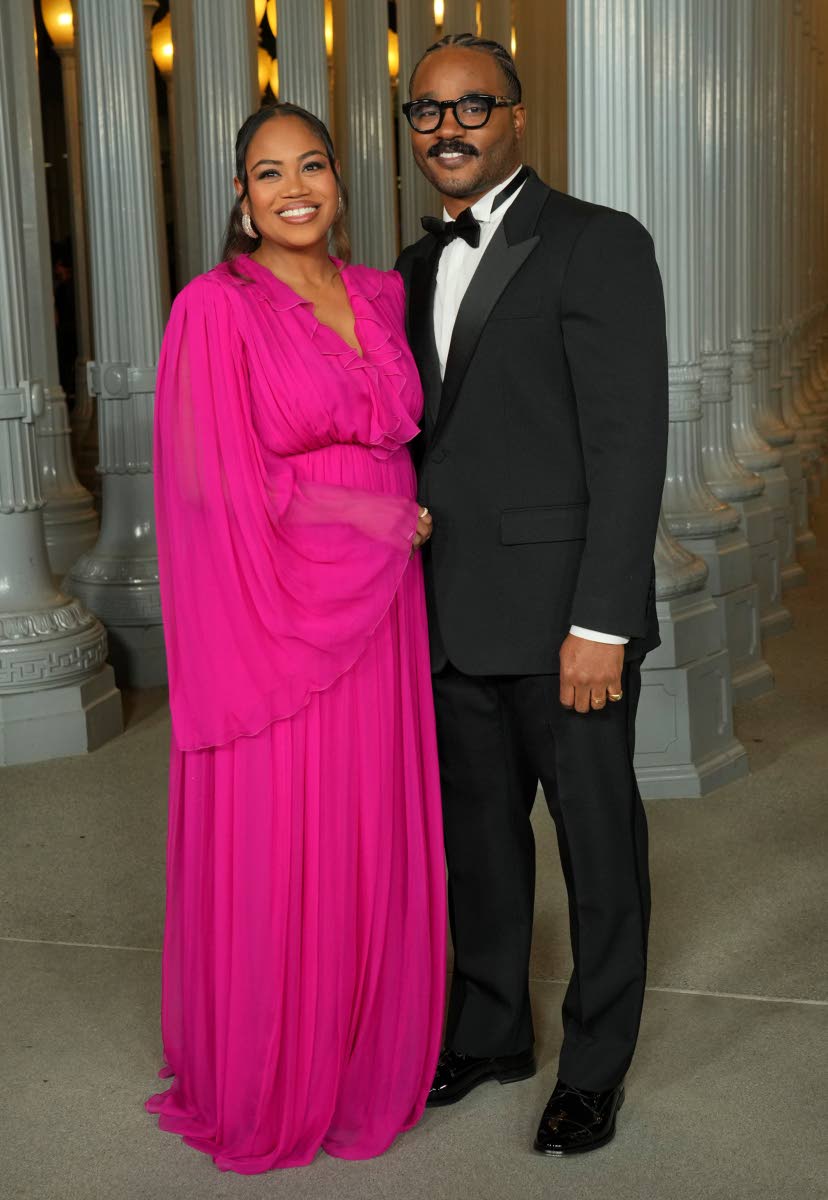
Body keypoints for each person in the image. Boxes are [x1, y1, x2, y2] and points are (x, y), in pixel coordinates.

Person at [145, 102, 446, 1173]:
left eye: (309, 164)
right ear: (242, 197)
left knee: (369, 815)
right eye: (268, 174)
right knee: (289, 822)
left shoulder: (382, 292)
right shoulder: (213, 310)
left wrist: (392, 519)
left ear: (337, 177)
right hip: (281, 607)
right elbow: (204, 482)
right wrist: (364, 515)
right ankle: (279, 1066)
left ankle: (367, 1047)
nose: (293, 188)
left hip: (386, 604)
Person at [395, 34, 668, 1156]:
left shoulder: (597, 244)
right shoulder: (407, 272)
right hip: (447, 615)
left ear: (517, 116)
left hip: (567, 623)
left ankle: (593, 1070)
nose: (447, 129)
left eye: (472, 106)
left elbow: (628, 442)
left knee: (598, 851)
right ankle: (494, 1030)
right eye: (426, 112)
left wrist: (600, 622)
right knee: (479, 848)